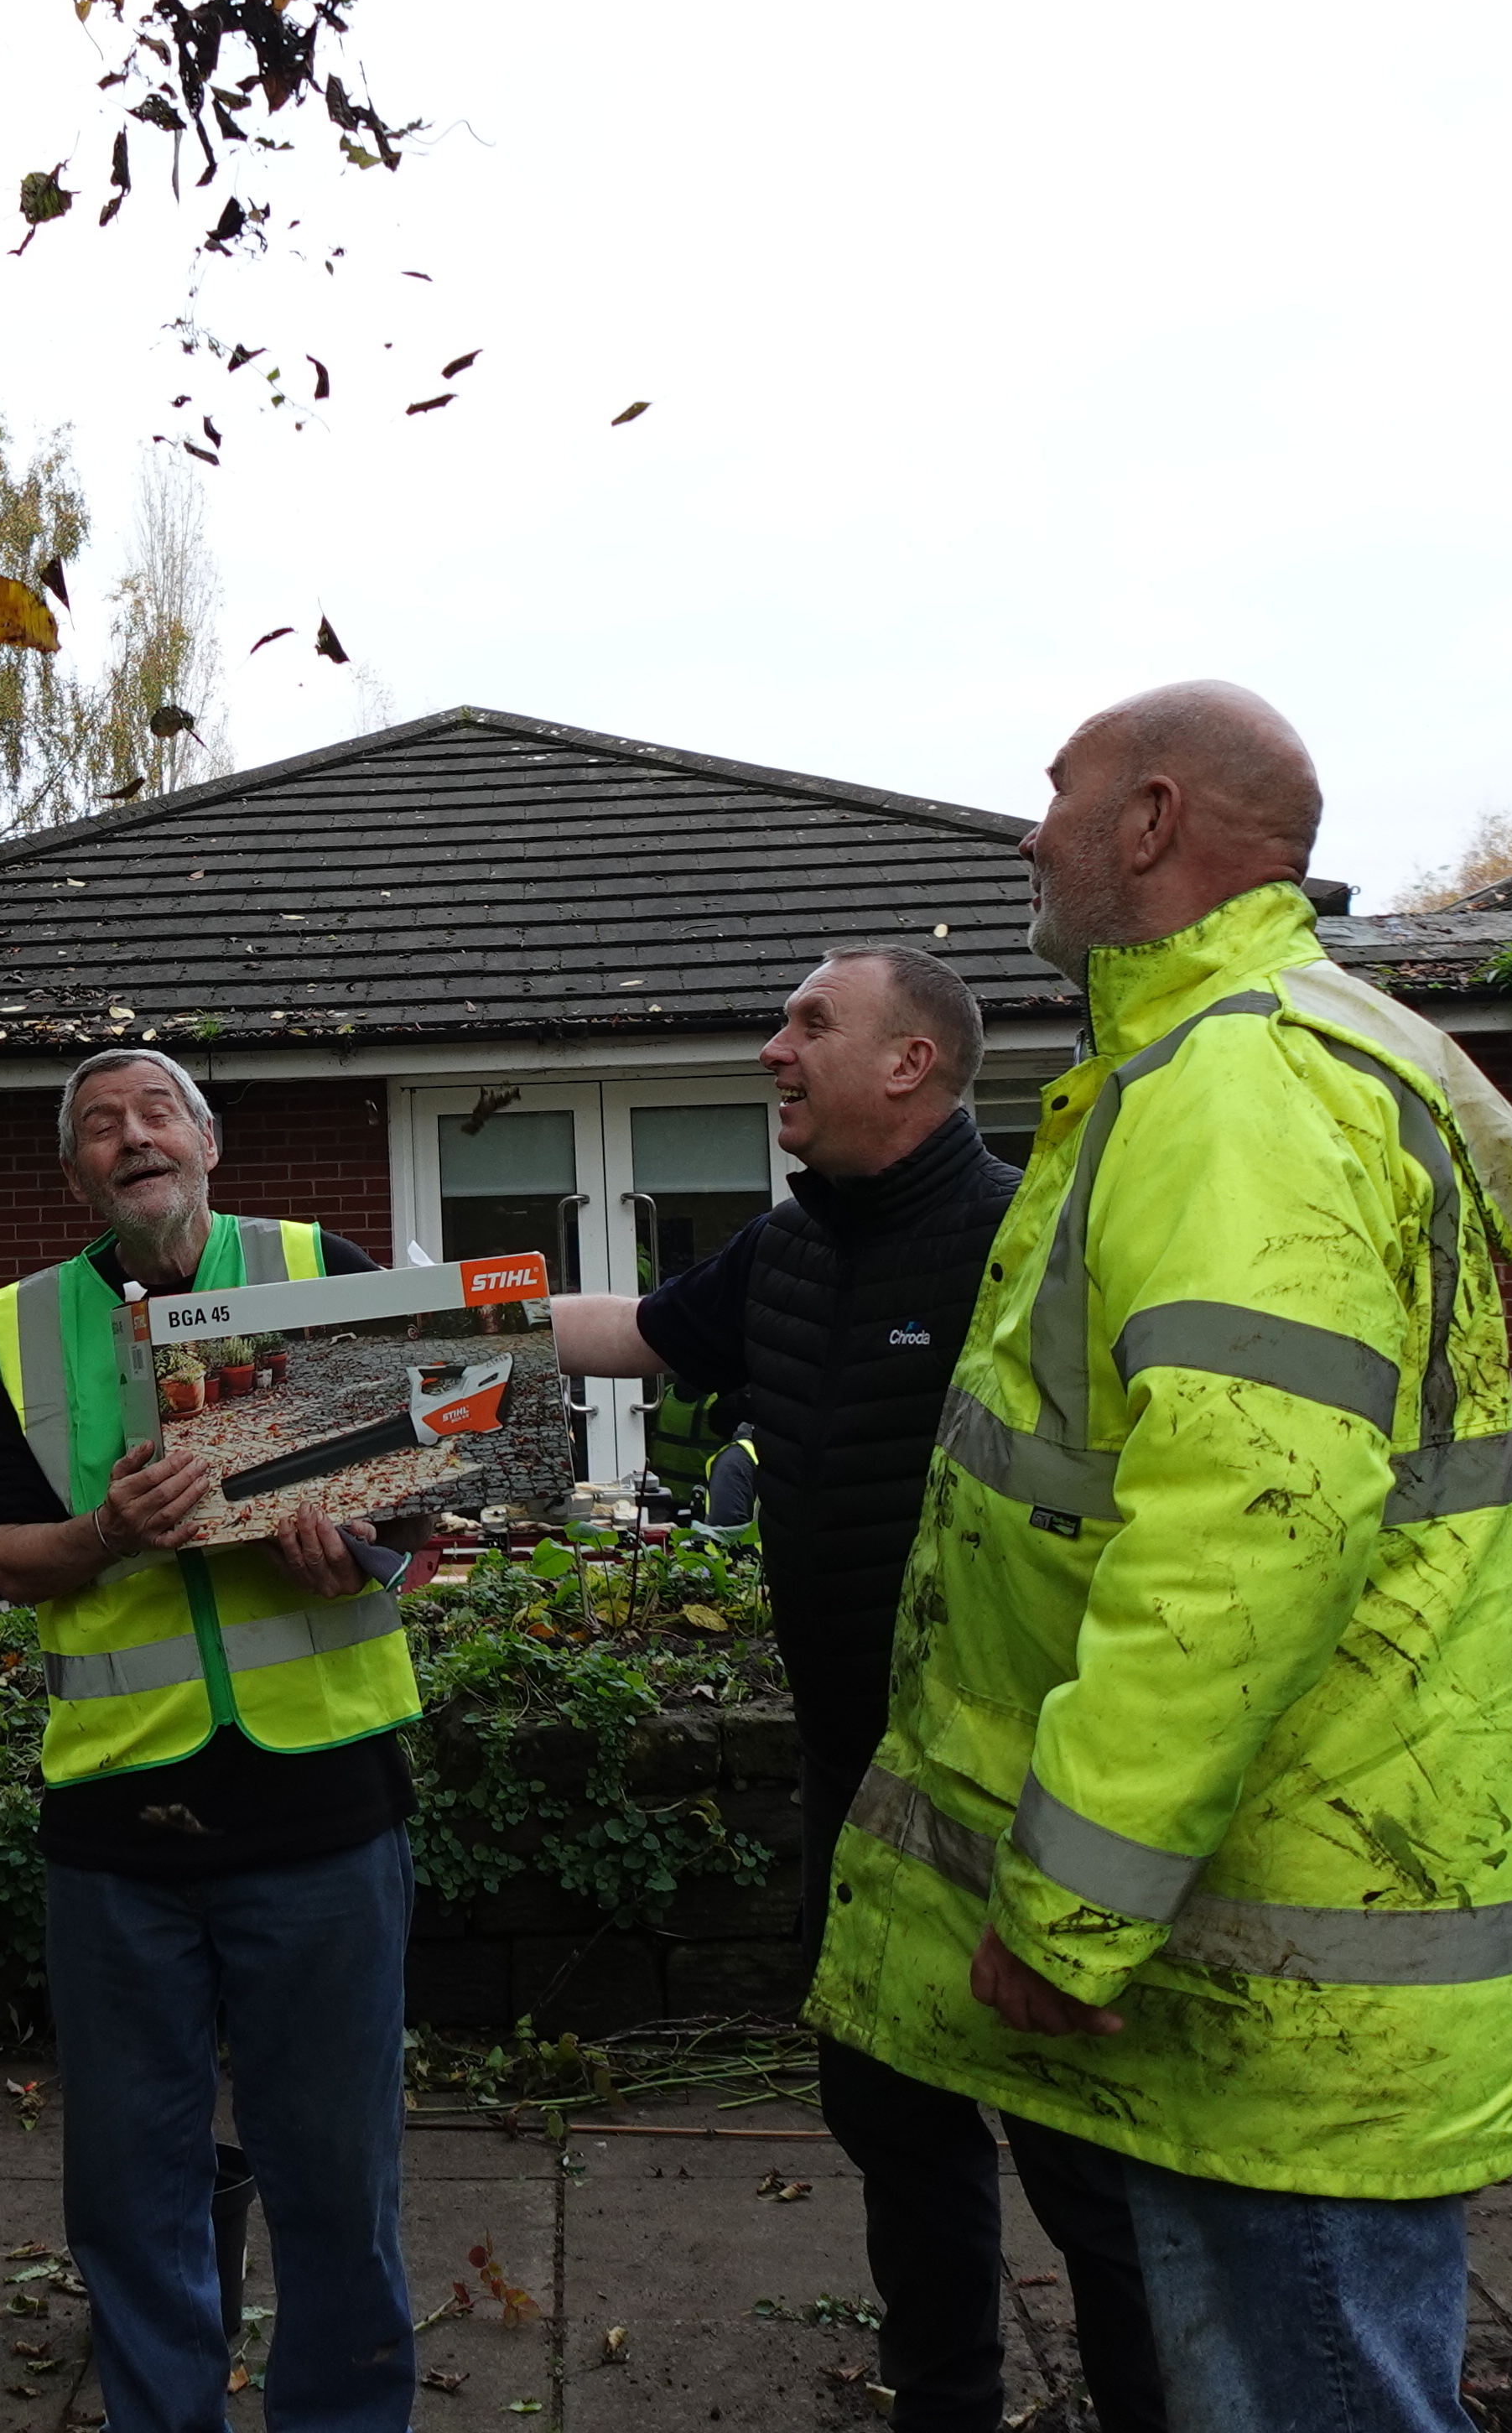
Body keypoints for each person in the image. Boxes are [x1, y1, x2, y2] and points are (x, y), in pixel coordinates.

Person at [812, 684, 1512, 2433]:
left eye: (1058, 793)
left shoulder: (1237, 1085)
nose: (1028, 832)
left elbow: (1248, 1535)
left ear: (1152, 823)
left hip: (1282, 1970)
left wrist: (1072, 1905)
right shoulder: (1243, 1054)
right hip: (1274, 1938)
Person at [552, 948, 1159, 2433]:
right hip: (853, 1773)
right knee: (890, 2119)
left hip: (1017, 1786)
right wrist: (402, 1325)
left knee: (1086, 2159)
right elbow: (637, 1330)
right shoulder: (790, 1247)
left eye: (807, 1023)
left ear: (910, 1063)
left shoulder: (1029, 1243)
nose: (772, 1050)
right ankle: (941, 2405)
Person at [0, 1048, 436, 2433]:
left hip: (321, 1809)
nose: (130, 1136)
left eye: (155, 1112)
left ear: (209, 1142)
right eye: (99, 1125)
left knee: (339, 2178)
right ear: (74, 1174)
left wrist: (353, 1543)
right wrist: (104, 1530)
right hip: (120, 1826)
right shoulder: (23, 1321)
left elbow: (428, 1485)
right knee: (129, 2186)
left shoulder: (315, 1262)